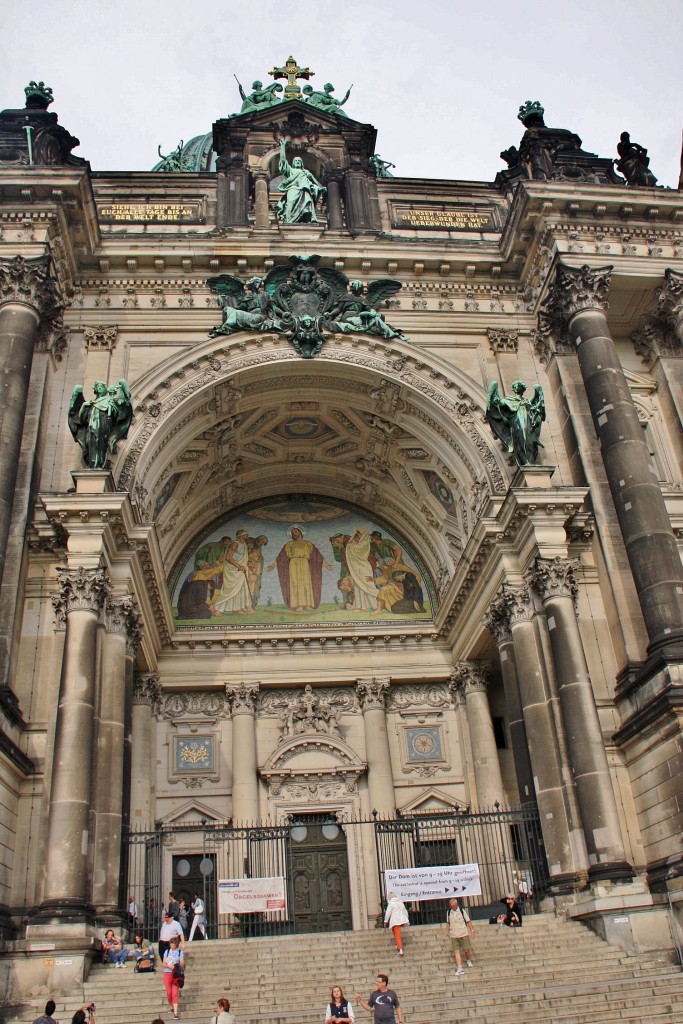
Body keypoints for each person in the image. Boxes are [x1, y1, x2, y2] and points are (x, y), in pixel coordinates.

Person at [267, 526, 333, 611]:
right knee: (295, 584)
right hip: (293, 563)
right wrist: (273, 565)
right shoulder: (289, 544)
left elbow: (317, 556)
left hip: (305, 563)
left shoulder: (308, 544)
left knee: (307, 583)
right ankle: (298, 605)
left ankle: (308, 604)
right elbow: (281, 557)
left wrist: (327, 565)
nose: (294, 534)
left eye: (296, 532)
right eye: (292, 533)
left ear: (300, 533)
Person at [485, 379, 545, 467]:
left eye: (518, 386)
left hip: (527, 422)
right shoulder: (508, 400)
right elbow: (500, 403)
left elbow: (535, 406)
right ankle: (525, 461)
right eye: (515, 386)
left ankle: (530, 460)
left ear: (522, 389)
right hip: (516, 423)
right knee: (520, 439)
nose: (517, 388)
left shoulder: (527, 401)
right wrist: (494, 396)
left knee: (528, 439)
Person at [275, 138, 326, 224]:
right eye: (296, 161)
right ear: (293, 163)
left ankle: (308, 219)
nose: (298, 162)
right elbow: (283, 160)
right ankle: (288, 220)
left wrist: (320, 188)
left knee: (307, 204)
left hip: (305, 191)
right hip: (293, 189)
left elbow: (313, 182)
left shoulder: (305, 172)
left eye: (299, 161)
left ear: (302, 163)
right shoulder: (290, 170)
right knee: (290, 203)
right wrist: (282, 147)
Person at [444, 897, 475, 976]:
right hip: (454, 935)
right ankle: (460, 967)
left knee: (466, 949)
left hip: (463, 934)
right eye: (451, 906)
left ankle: (468, 960)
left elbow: (468, 921)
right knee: (456, 951)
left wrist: (472, 931)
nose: (452, 907)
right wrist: (446, 931)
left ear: (457, 904)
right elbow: (448, 923)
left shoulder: (462, 911)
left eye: (454, 905)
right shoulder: (448, 912)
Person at [162, 935, 184, 1021]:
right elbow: (163, 963)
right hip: (167, 973)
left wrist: (177, 964)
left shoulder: (179, 952)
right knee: (169, 993)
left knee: (175, 993)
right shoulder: (167, 952)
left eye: (173, 943)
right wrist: (169, 966)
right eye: (170, 943)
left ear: (176, 944)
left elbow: (182, 963)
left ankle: (175, 1012)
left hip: (176, 975)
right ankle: (172, 1006)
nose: (171, 945)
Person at [383, 892, 409, 956]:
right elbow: (404, 910)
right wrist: (406, 918)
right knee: (395, 932)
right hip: (401, 919)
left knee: (397, 935)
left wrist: (385, 921)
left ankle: (400, 949)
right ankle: (398, 945)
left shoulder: (391, 904)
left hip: (395, 920)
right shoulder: (400, 902)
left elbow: (388, 913)